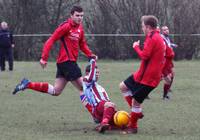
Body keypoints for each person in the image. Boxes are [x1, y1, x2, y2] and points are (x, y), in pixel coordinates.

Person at [12, 6, 97, 96]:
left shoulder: (80, 28)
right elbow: (51, 40)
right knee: (84, 88)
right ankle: (100, 109)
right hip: (68, 62)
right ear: (71, 15)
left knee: (56, 91)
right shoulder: (66, 26)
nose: (80, 18)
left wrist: (90, 54)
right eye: (77, 15)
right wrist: (44, 58)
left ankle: (28, 84)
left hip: (64, 63)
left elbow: (82, 44)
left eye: (81, 16)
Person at [119, 15, 166, 134]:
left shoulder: (153, 38)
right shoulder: (156, 37)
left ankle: (133, 127)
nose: (142, 28)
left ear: (148, 27)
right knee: (123, 86)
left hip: (149, 78)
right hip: (141, 74)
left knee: (136, 101)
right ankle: (137, 112)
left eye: (142, 26)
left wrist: (136, 47)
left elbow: (144, 56)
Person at [80, 59, 118, 133]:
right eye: (95, 72)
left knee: (123, 118)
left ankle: (104, 125)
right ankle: (103, 124)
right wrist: (93, 62)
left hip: (104, 110)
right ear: (88, 73)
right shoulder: (86, 80)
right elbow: (91, 78)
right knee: (110, 104)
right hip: (98, 107)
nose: (97, 74)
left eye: (98, 72)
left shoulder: (100, 87)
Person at [161, 26, 177, 100]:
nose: (166, 31)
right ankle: (145, 91)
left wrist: (172, 45)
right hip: (165, 60)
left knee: (172, 74)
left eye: (167, 29)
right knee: (160, 78)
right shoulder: (161, 38)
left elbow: (168, 45)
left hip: (169, 59)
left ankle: (167, 90)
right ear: (162, 31)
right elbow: (162, 47)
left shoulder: (167, 38)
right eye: (164, 30)